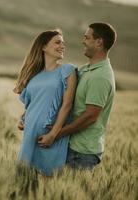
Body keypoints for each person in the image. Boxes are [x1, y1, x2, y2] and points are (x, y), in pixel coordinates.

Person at [38, 22, 117, 170]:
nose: (83, 41)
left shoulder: (100, 76)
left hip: (81, 152)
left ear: (99, 42)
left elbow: (90, 116)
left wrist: (56, 134)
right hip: (72, 145)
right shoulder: (87, 69)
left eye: (87, 38)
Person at [13, 29, 77, 176]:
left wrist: (53, 135)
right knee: (24, 179)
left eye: (63, 43)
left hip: (50, 137)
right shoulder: (34, 75)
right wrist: (22, 119)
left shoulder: (67, 70)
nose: (62, 46)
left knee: (47, 181)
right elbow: (32, 105)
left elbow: (67, 105)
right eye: (57, 42)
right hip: (30, 135)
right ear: (43, 47)